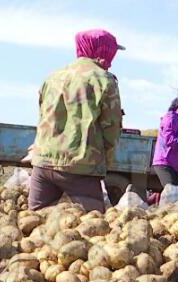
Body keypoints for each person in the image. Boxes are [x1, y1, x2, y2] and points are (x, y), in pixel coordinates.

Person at [27, 29, 124, 213]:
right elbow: (111, 129)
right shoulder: (104, 80)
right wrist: (104, 163)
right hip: (81, 167)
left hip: (43, 162)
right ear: (104, 51)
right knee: (92, 227)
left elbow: (42, 115)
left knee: (33, 224)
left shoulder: (53, 77)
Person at [152, 98, 178, 187]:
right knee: (172, 193)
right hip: (165, 163)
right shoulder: (170, 118)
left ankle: (155, 199)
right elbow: (169, 140)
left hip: (177, 166)